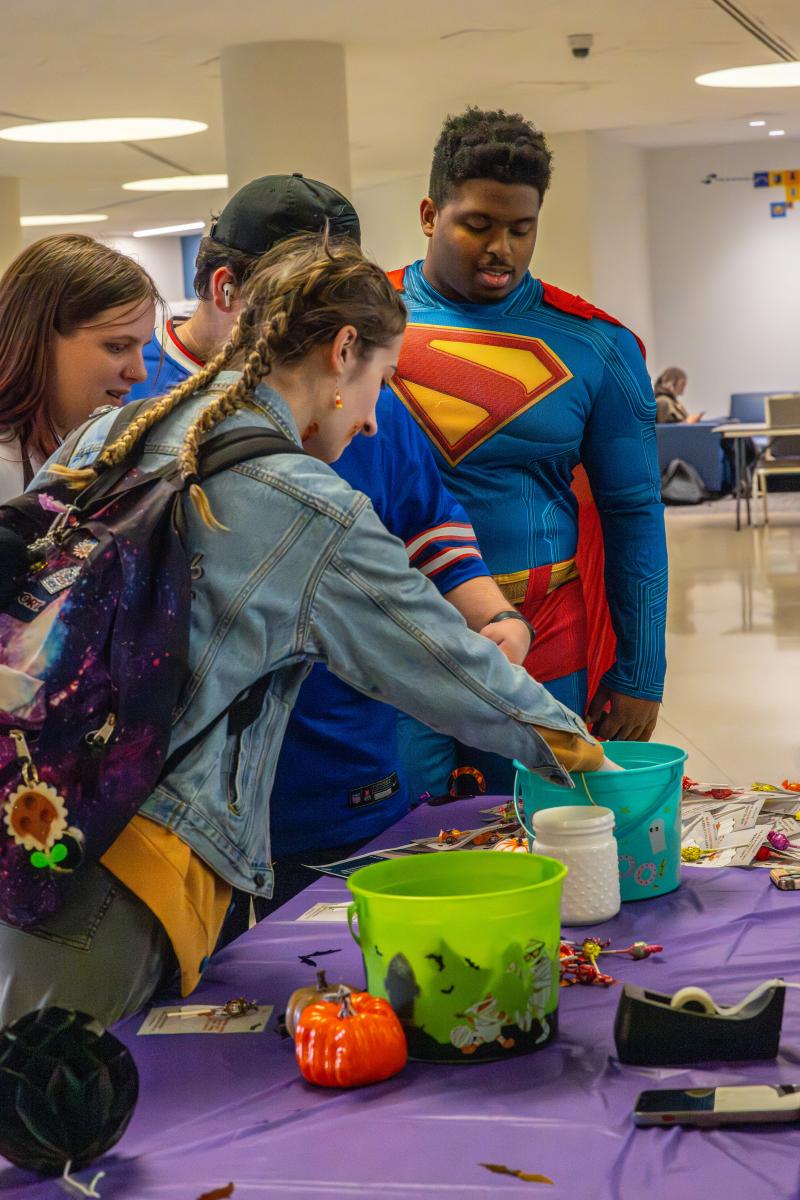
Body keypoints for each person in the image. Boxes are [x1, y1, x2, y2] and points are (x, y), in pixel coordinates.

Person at [0, 232, 609, 1027]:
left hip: (33, 807)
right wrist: (589, 758)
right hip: (131, 867)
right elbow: (454, 672)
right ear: (342, 350)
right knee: (70, 1118)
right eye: (378, 384)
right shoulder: (310, 505)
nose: (368, 422)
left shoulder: (103, 435)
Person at [130, 174, 533, 914]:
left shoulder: (358, 390)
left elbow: (427, 520)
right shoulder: (135, 402)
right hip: (181, 795)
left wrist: (495, 620)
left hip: (341, 769)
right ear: (229, 289)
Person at [389, 107, 668, 798]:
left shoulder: (597, 345)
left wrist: (640, 672)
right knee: (396, 846)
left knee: (541, 829)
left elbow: (633, 510)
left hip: (545, 629)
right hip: (389, 627)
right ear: (430, 213)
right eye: (477, 225)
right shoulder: (358, 325)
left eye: (521, 229)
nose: (501, 249)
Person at [0, 233, 159, 502]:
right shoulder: (7, 462)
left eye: (142, 347)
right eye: (117, 347)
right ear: (41, 341)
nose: (139, 373)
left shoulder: (77, 450)